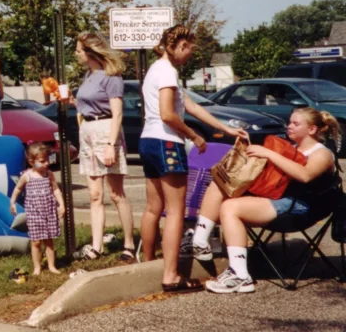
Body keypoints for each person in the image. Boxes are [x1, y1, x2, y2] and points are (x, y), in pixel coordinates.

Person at [139, 24, 248, 292]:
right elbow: (168, 114)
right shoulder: (167, 71)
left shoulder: (156, 69)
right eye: (187, 48)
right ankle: (171, 276)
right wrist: (193, 136)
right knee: (176, 211)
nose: (189, 53)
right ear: (176, 46)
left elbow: (192, 106)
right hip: (167, 142)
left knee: (153, 208)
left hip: (148, 141)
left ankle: (148, 264)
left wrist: (225, 129)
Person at [186, 107, 341, 294]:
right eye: (290, 122)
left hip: (300, 207)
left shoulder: (321, 153)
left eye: (295, 123)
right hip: (278, 199)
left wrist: (268, 153)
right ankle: (200, 241)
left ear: (312, 130)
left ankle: (240, 276)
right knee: (220, 182)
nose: (289, 126)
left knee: (230, 208)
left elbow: (305, 175)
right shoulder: (290, 148)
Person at [70, 32, 136, 262]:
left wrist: (110, 144)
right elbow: (87, 104)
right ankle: (96, 246)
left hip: (105, 131)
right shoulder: (89, 75)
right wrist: (70, 100)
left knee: (116, 194)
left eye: (79, 50)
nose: (76, 54)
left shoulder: (111, 76)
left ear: (90, 52)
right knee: (95, 195)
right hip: (87, 131)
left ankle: (129, 245)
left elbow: (117, 114)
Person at [10, 142, 66, 275]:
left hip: (49, 212)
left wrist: (62, 204)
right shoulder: (27, 176)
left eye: (47, 160)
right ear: (31, 161)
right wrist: (12, 202)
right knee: (36, 242)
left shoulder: (49, 174)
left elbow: (56, 190)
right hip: (35, 213)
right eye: (42, 161)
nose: (46, 163)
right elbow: (18, 189)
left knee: (49, 241)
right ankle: (37, 267)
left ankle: (51, 266)